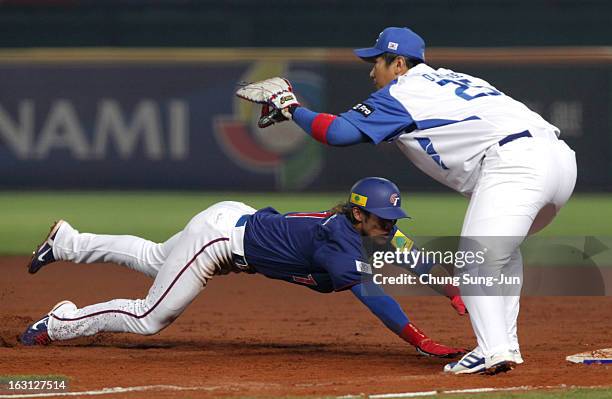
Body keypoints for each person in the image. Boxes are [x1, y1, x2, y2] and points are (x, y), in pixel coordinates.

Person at [236, 27, 577, 375]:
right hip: (560, 162)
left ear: (398, 63)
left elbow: (336, 133)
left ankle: (491, 350)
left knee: (478, 259)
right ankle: (505, 346)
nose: (372, 72)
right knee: (502, 254)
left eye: (377, 62)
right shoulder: (451, 79)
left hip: (515, 164)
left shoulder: (404, 91)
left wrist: (291, 108)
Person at [21, 177, 466, 360]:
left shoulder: (371, 232)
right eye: (383, 221)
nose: (390, 228)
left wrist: (453, 293)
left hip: (234, 218)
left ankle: (67, 242)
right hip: (221, 241)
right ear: (357, 215)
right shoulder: (338, 246)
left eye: (393, 221)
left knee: (156, 258)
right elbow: (377, 298)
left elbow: (412, 257)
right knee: (150, 317)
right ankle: (61, 322)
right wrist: (421, 341)